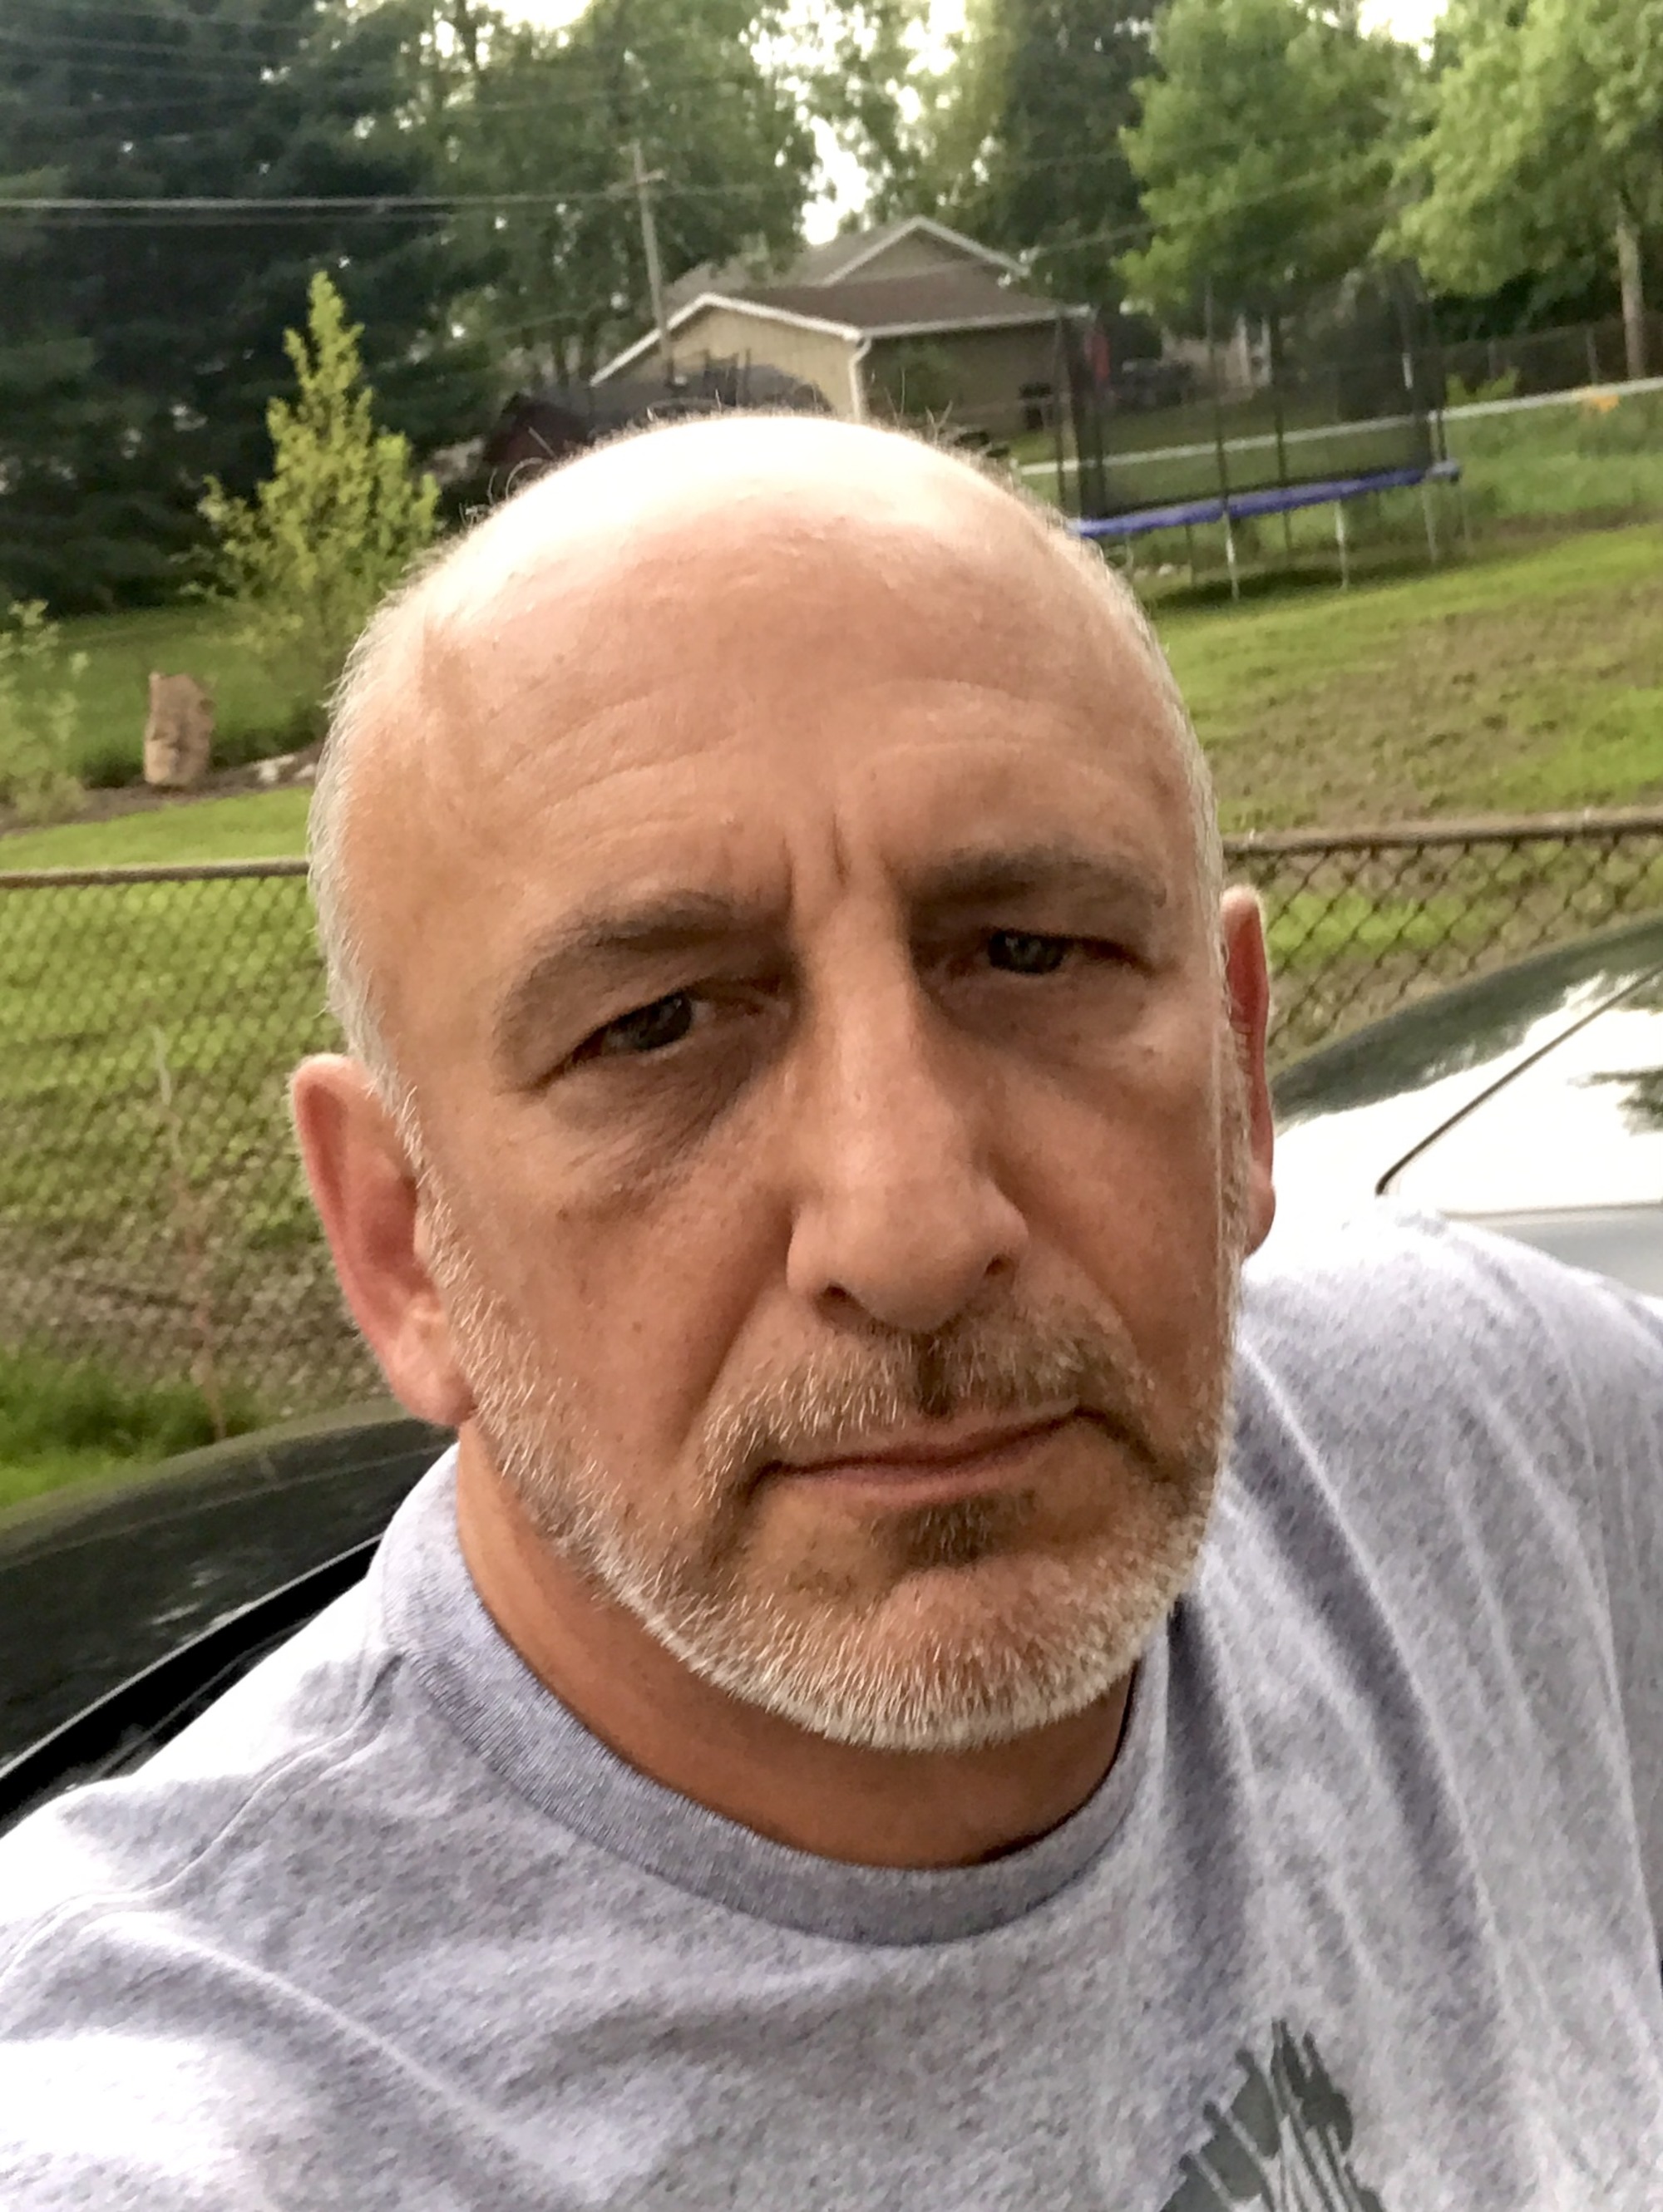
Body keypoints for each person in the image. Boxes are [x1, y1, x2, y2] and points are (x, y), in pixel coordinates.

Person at [1, 414, 1661, 2210]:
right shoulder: (177, 2129)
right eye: (655, 1026)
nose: (913, 1232)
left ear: (1240, 1086)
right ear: (403, 1246)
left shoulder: (1496, 1446)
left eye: (1030, 953)